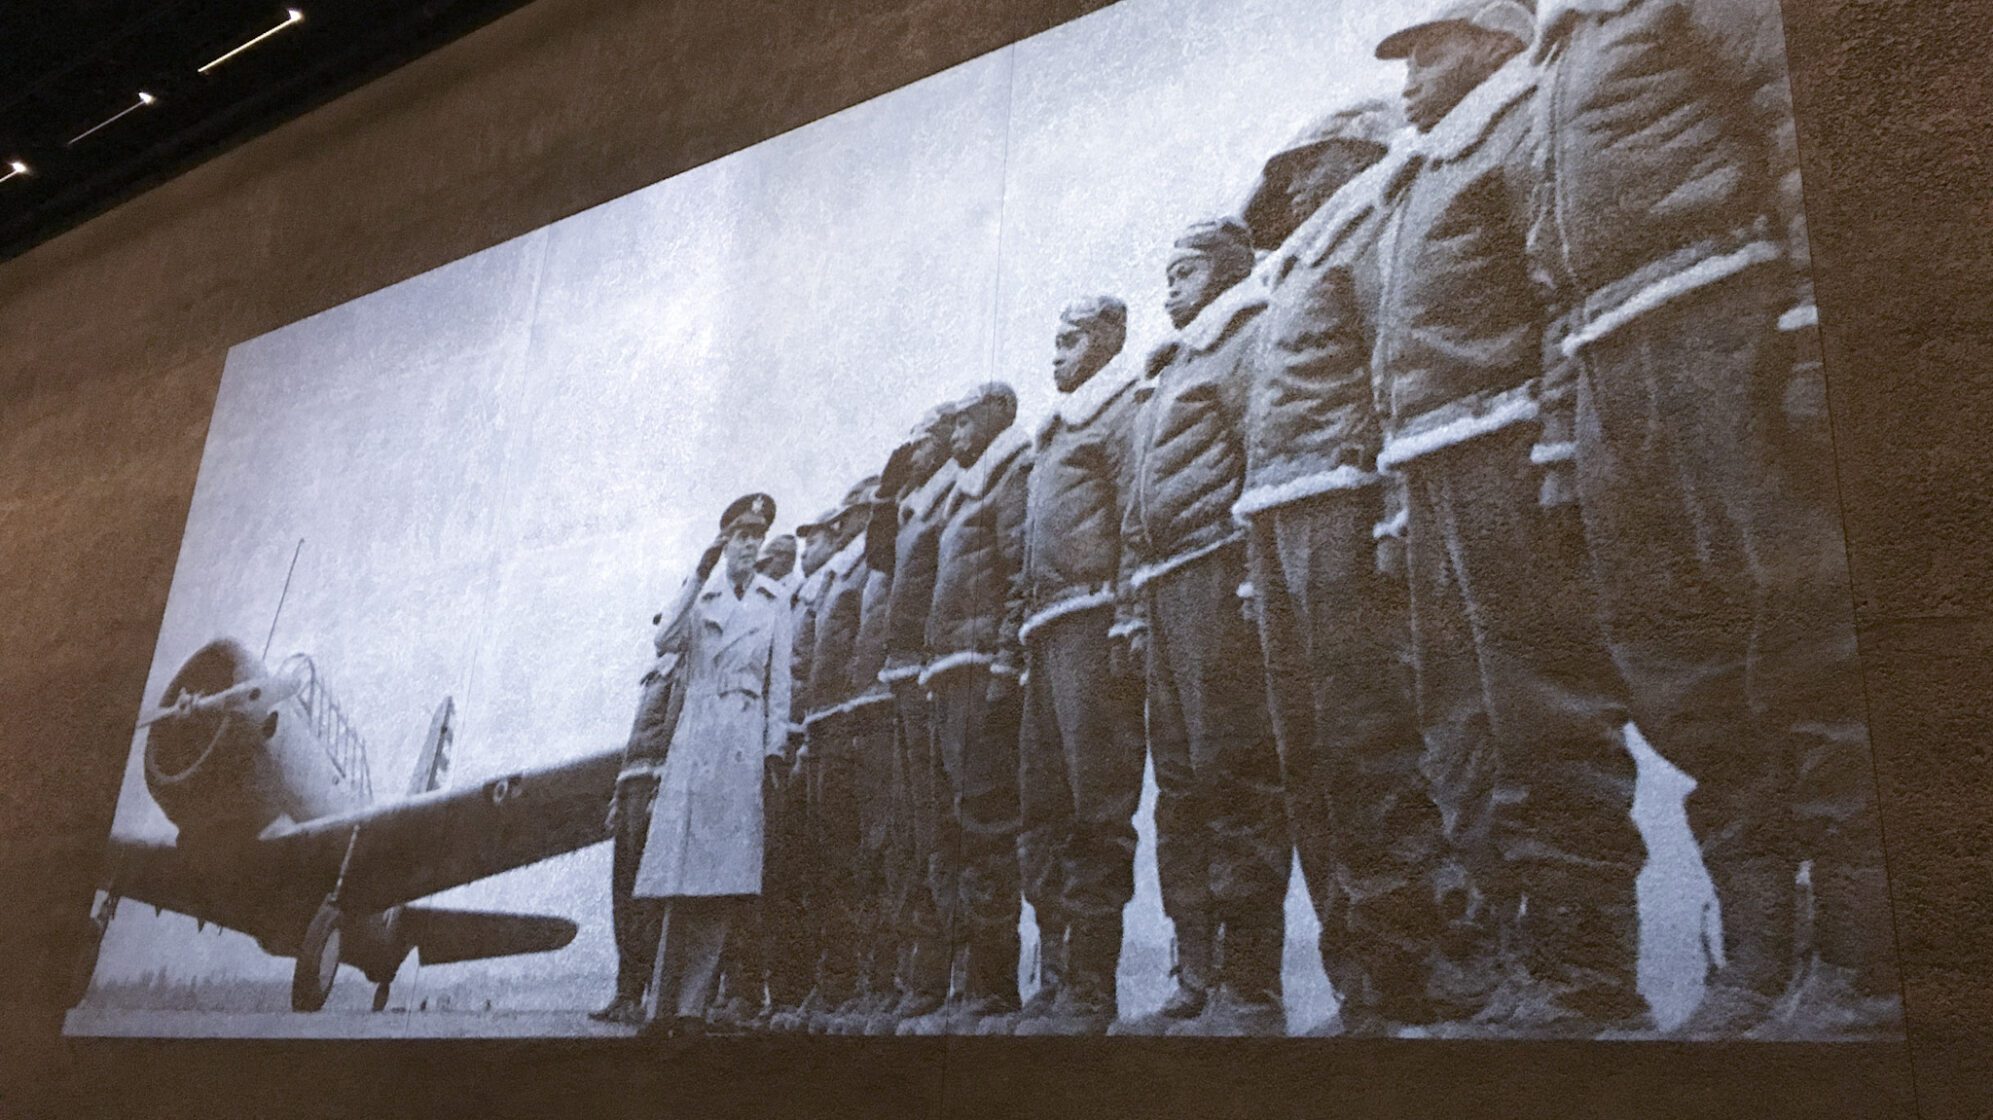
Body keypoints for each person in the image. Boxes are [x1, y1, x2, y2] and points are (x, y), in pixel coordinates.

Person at [1527, 0, 1897, 1037]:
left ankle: (1870, 965)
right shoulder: (1559, 52)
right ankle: (1760, 960)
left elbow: (1800, 112)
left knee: (1814, 638)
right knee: (1680, 680)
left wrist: (1818, 315)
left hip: (1721, 318)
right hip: (1611, 371)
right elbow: (1555, 271)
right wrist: (1564, 439)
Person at [1370, 0, 1647, 1036]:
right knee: (1463, 732)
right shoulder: (1426, 172)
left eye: (1425, 53)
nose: (1406, 79)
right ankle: (1509, 970)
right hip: (1437, 457)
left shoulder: (1519, 118)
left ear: (1490, 43)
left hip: (1504, 444)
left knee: (1541, 707)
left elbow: (1553, 286)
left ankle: (1586, 978)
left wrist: (1555, 439)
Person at [1233, 98, 1459, 1037]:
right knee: (1314, 763)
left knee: (1374, 746)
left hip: (1345, 499)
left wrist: (1387, 499)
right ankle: (1363, 979)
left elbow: (1387, 358)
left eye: (1301, 167)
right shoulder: (1292, 268)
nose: (1285, 190)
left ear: (1350, 155)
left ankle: (1422, 973)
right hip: (1283, 514)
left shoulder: (1374, 218)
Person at [1115, 218, 1290, 1037]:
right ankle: (1196, 976)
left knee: (1235, 778)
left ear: (1224, 272)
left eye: (1182, 272)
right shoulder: (1169, 375)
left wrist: (1257, 569)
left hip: (1218, 572)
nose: (1170, 290)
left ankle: (1249, 988)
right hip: (1163, 589)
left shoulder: (1244, 338)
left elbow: (1262, 450)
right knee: (1180, 792)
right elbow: (1134, 508)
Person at [1012, 296, 1145, 1036]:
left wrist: (1127, 613)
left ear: (1105, 342)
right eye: (1053, 340)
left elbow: (1134, 515)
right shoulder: (1055, 434)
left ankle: (1091, 991)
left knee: (1098, 808)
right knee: (1043, 812)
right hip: (1045, 629)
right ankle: (1056, 980)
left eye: (1068, 341)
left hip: (1094, 623)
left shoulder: (1122, 409)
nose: (1055, 355)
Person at [632, 493, 793, 1038]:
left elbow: (781, 685)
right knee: (681, 879)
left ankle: (692, 1008)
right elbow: (664, 639)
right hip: (699, 740)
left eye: (757, 536)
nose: (749, 545)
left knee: (722, 881)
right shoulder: (703, 596)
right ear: (724, 543)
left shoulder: (775, 600)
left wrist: (774, 749)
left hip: (744, 742)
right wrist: (698, 572)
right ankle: (661, 1007)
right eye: (740, 536)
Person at [591, 511, 755, 1026]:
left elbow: (680, 730)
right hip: (634, 784)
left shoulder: (688, 664)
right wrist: (620, 796)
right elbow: (633, 743)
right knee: (624, 893)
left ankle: (649, 992)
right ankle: (626, 989)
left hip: (664, 782)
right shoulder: (652, 676)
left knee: (653, 896)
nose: (663, 627)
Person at [904, 381, 1033, 1035]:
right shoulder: (960, 495)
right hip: (950, 671)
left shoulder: (1011, 472)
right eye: (947, 425)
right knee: (955, 834)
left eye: (963, 423)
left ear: (993, 418)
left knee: (986, 827)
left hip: (983, 668)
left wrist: (1006, 662)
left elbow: (1018, 571)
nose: (954, 435)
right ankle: (965, 987)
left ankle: (993, 986)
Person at [877, 404, 962, 1033]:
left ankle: (951, 982)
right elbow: (881, 555)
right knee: (916, 830)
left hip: (937, 668)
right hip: (907, 671)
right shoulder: (911, 508)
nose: (916, 451)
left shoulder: (957, 490)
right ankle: (923, 979)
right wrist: (887, 487)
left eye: (922, 440)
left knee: (944, 826)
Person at [794, 478, 887, 1032]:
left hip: (857, 722)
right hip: (828, 725)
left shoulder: (869, 565)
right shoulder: (836, 578)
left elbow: (861, 646)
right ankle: (838, 986)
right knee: (830, 863)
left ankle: (865, 985)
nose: (848, 527)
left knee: (864, 858)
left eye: (851, 519)